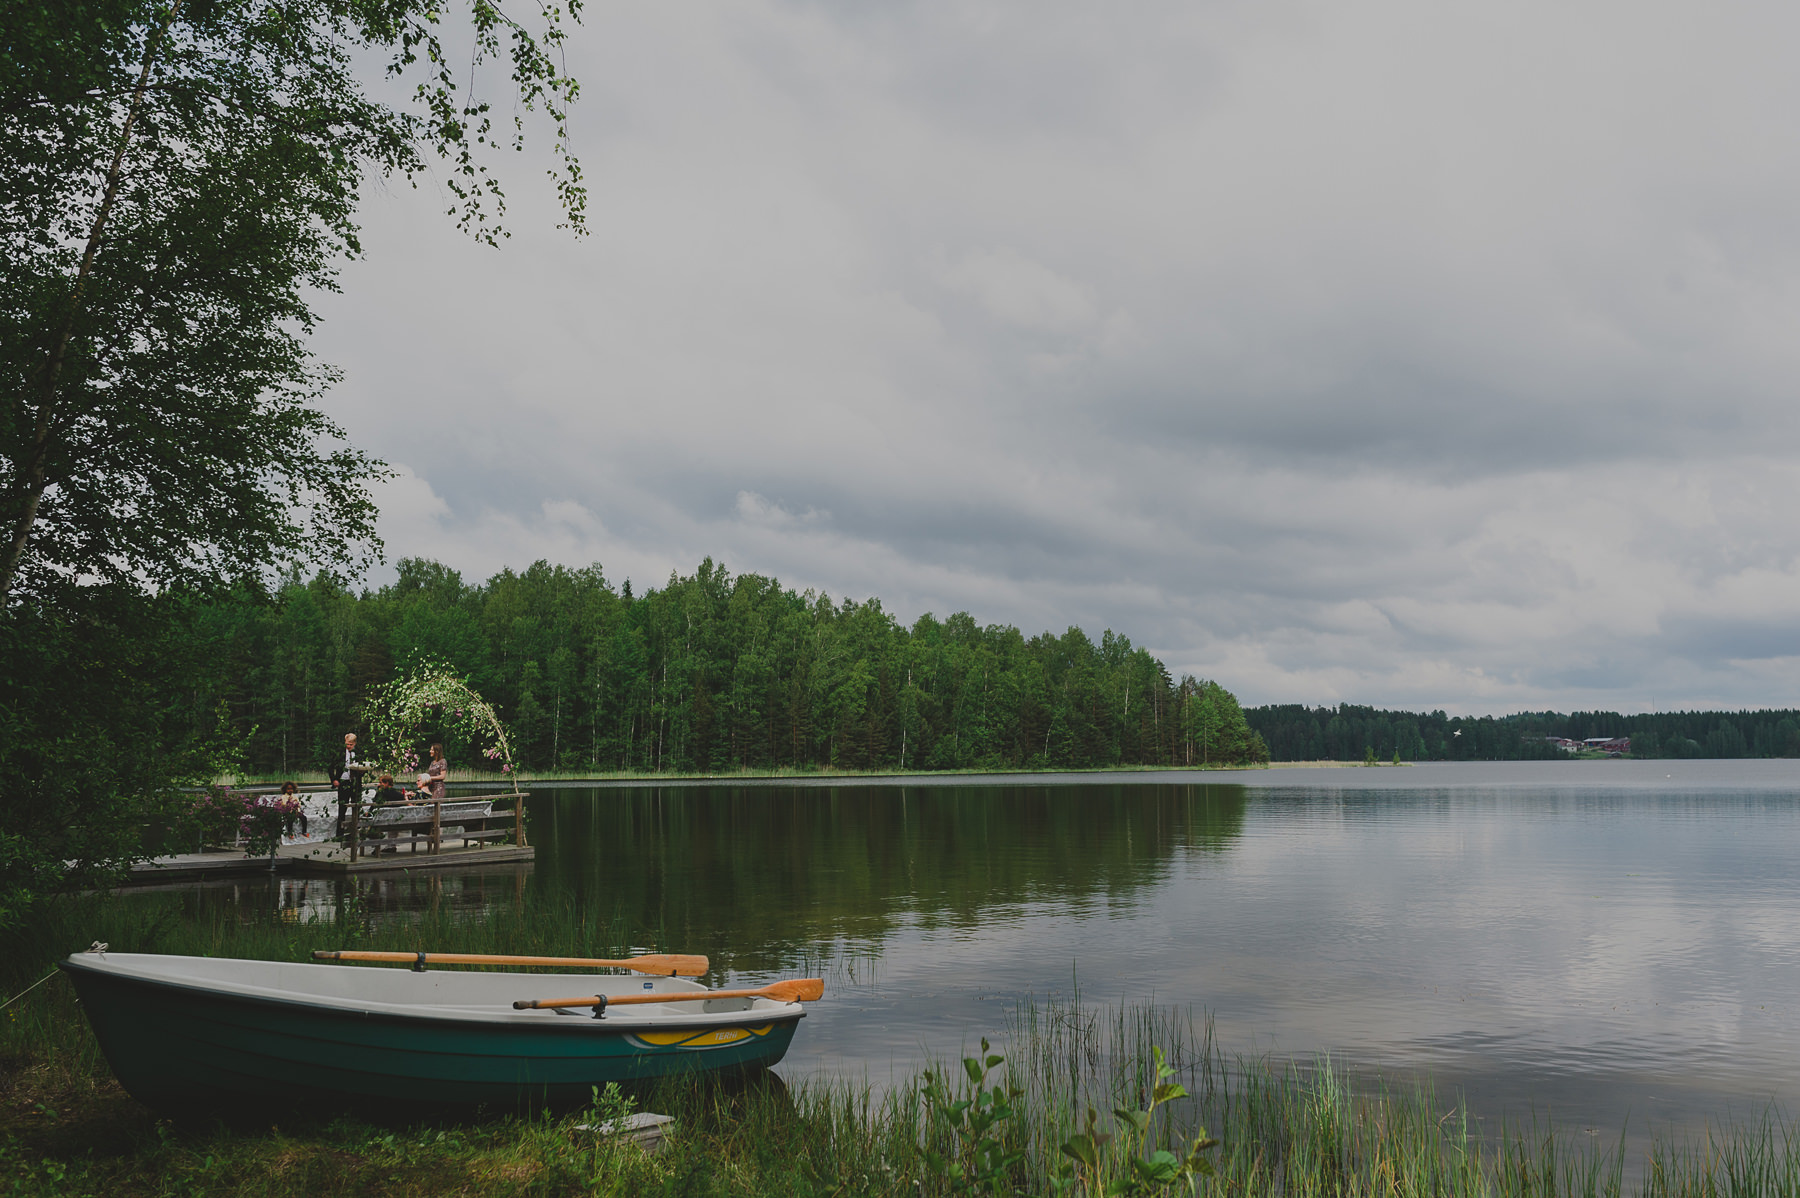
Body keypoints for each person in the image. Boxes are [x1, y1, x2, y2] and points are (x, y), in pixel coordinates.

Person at [331, 732, 369, 840]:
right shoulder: (339, 753)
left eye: (350, 745)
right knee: (342, 808)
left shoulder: (359, 753)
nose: (348, 747)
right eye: (347, 744)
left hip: (355, 783)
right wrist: (334, 779)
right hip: (343, 782)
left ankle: (355, 832)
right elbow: (330, 766)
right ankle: (339, 835)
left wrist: (361, 773)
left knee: (356, 807)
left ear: (355, 743)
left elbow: (365, 766)